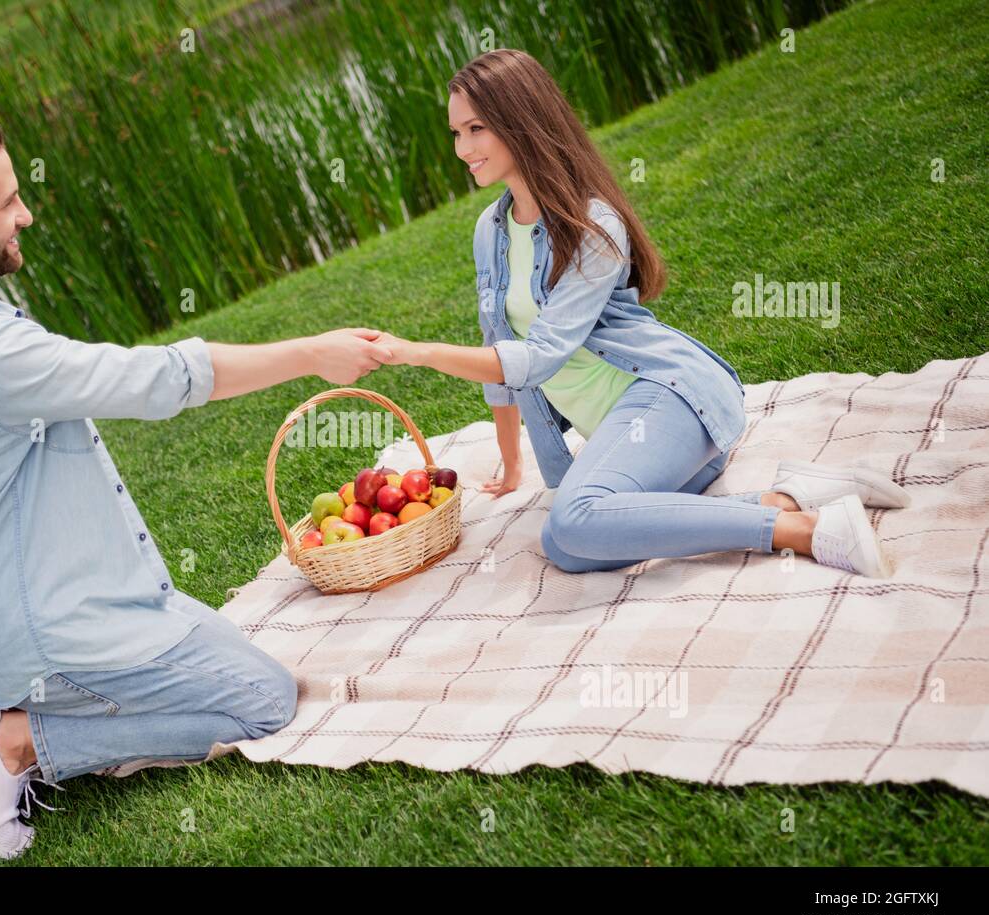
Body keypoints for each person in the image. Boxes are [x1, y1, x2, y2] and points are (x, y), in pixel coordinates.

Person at [0, 107, 393, 858]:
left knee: (239, 662)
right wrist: (311, 351)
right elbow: (158, 378)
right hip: (58, 636)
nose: (27, 214)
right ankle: (14, 742)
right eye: (8, 202)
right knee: (265, 701)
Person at [372, 49, 909, 577]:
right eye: (455, 133)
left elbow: (535, 359)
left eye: (477, 128)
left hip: (671, 401)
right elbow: (497, 342)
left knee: (575, 520)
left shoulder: (592, 224)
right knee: (567, 546)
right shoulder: (490, 230)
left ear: (521, 120)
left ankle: (806, 531)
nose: (463, 148)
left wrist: (416, 353)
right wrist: (513, 465)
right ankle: (790, 495)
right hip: (630, 443)